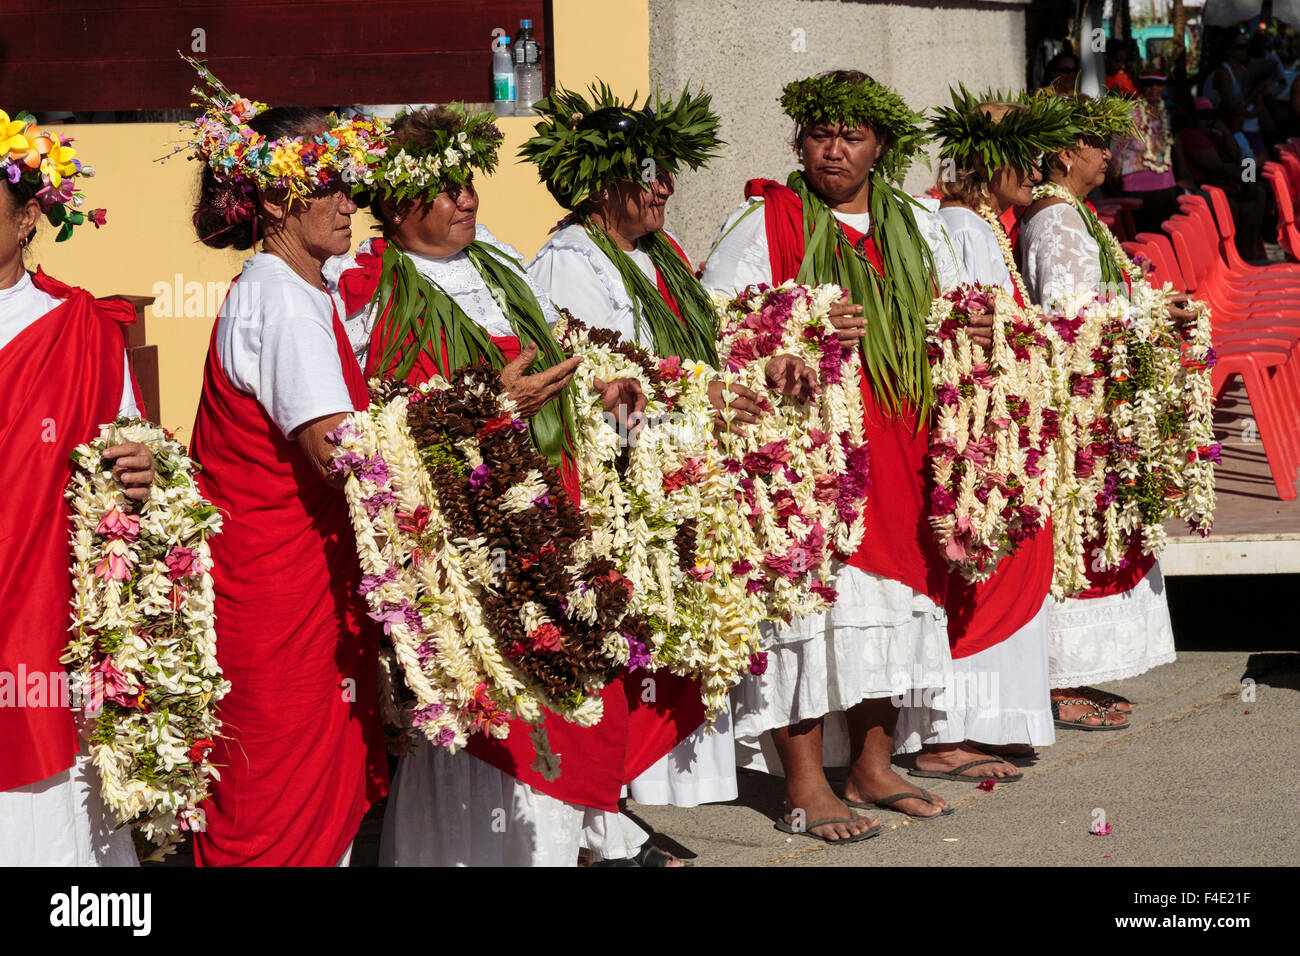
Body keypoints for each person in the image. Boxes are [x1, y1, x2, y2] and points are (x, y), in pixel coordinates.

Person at [332, 103, 693, 867]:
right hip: (472, 528)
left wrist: (600, 390)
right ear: (398, 203)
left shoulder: (494, 257)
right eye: (448, 189)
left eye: (470, 186)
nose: (469, 201)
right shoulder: (366, 289)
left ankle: (582, 840)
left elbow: (557, 347)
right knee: (499, 683)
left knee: (573, 661)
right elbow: (380, 421)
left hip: (549, 497)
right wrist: (492, 409)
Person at [524, 83, 815, 861]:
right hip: (616, 495)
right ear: (601, 182)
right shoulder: (566, 266)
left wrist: (762, 357)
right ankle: (595, 825)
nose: (665, 186)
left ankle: (606, 814)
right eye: (650, 171)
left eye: (667, 169)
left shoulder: (656, 256)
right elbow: (599, 393)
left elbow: (697, 353)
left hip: (668, 481)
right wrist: (696, 407)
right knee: (611, 662)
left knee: (643, 662)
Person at [701, 69, 971, 840]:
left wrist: (968, 333)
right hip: (813, 453)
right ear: (798, 141)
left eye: (852, 137)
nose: (833, 152)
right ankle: (806, 783)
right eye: (820, 136)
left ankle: (874, 765)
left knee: (896, 604)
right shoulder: (763, 222)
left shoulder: (915, 224)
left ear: (881, 146)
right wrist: (793, 337)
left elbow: (951, 310)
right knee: (810, 611)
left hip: (904, 441)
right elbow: (719, 325)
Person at [178, 61, 391, 866]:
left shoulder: (298, 288)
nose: (349, 202)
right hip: (278, 586)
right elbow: (339, 451)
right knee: (273, 801)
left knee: (297, 789)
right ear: (272, 200)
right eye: (328, 183)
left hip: (288, 578)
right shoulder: (282, 299)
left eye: (349, 183)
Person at [892, 90, 1082, 777]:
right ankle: (948, 734)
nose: (1037, 169)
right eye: (1024, 157)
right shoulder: (961, 228)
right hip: (977, 434)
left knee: (1010, 567)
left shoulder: (984, 225)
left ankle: (992, 720)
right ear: (990, 161)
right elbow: (956, 325)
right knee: (979, 568)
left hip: (1005, 424)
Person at [0, 109, 153, 865]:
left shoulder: (82, 329)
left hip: (43, 605)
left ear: (29, 217)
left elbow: (134, 462)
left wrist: (141, 473)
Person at [1018, 94, 1185, 729]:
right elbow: (1069, 315)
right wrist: (1148, 313)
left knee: (1099, 536)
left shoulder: (1074, 214)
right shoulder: (1057, 221)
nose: (1109, 156)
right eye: (1097, 145)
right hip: (1075, 402)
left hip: (1094, 393)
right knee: (1079, 542)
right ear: (1064, 154)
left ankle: (1078, 675)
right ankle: (1062, 680)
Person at [1111, 73, 1179, 233]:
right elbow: (1116, 148)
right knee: (1141, 237)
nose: (1154, 88)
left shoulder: (1166, 112)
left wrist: (1182, 176)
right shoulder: (1129, 113)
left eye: (1159, 84)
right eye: (1149, 84)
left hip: (1165, 185)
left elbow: (1173, 145)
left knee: (1164, 237)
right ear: (1141, 87)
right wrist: (1112, 179)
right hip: (1137, 187)